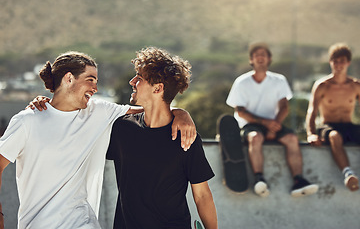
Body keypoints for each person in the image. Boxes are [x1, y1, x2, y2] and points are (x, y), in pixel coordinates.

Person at [0, 51, 196, 228]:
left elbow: (153, 107)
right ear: (69, 78)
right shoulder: (28, 121)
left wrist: (181, 113)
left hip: (84, 224)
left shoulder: (99, 111)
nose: (95, 88)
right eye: (90, 79)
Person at [106, 47, 217, 229]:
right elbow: (85, 118)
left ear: (158, 88)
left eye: (139, 78)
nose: (132, 81)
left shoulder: (186, 138)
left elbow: (202, 195)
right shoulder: (122, 129)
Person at [226, 42, 318, 198]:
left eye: (263, 54)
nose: (260, 57)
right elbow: (240, 112)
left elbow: (284, 107)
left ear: (269, 59)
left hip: (273, 123)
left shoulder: (279, 80)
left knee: (292, 138)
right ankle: (259, 179)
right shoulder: (241, 82)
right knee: (256, 138)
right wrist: (264, 123)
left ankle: (298, 181)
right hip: (250, 125)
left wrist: (273, 125)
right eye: (256, 55)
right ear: (251, 60)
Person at [306, 42, 360, 198]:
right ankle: (348, 174)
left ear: (348, 63)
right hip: (328, 126)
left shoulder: (356, 86)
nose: (338, 65)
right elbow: (312, 111)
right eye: (335, 61)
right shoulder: (322, 85)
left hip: (348, 125)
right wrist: (311, 134)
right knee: (334, 136)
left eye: (342, 61)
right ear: (330, 62)